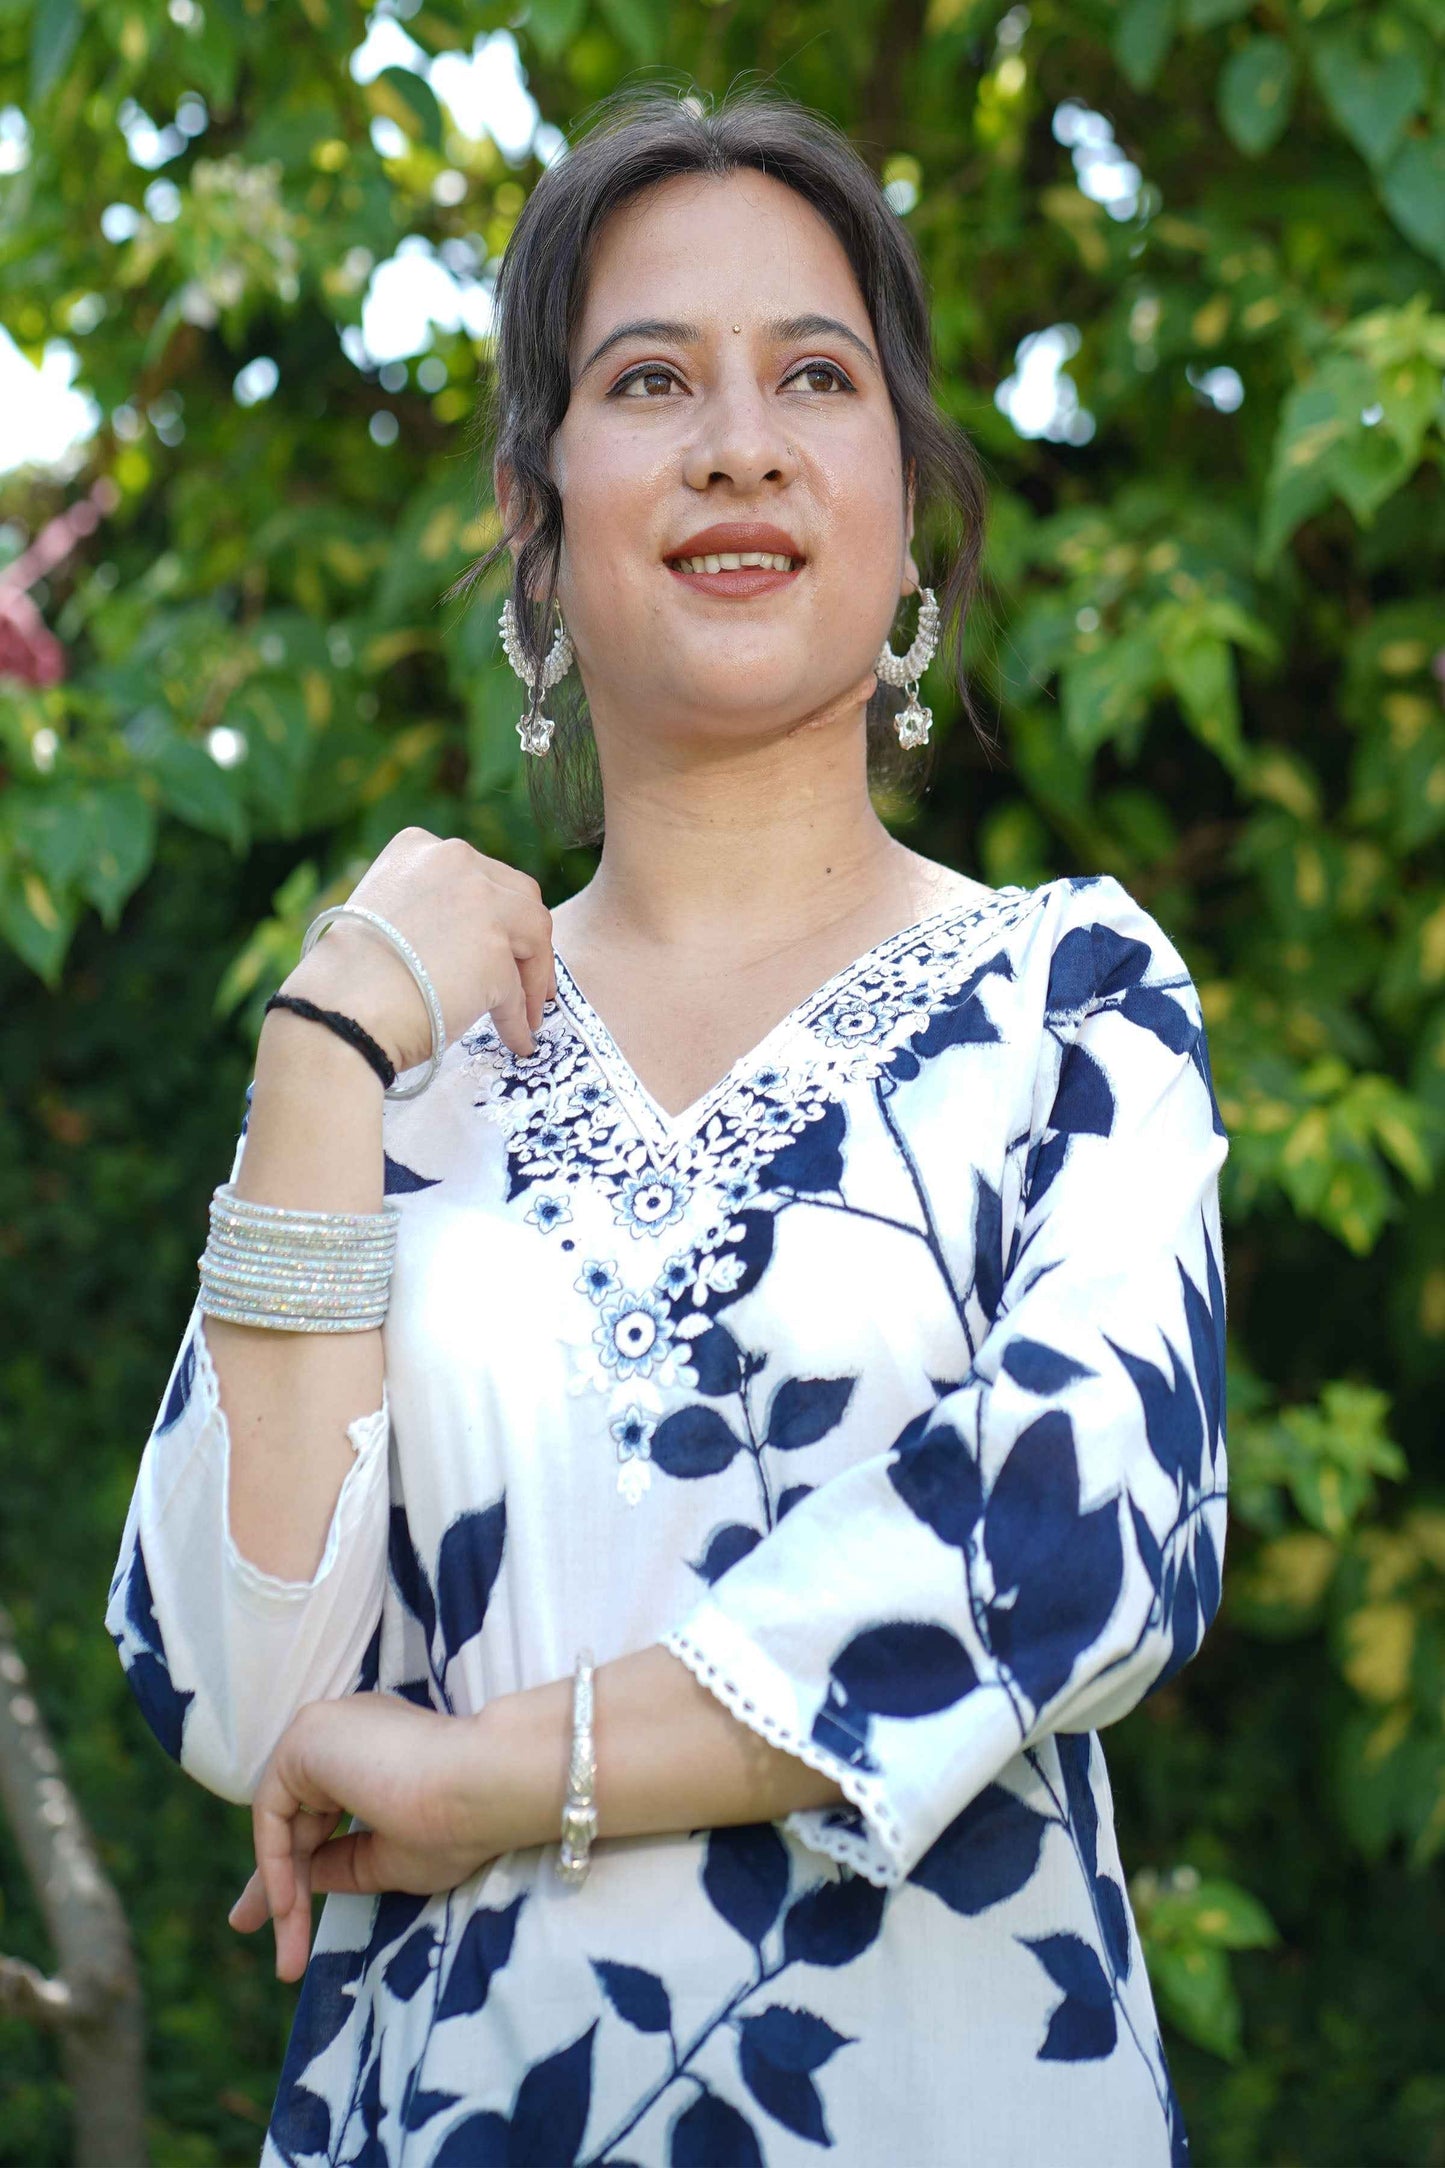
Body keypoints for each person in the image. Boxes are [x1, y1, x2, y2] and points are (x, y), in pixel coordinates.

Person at [105, 85, 1229, 2168]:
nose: (738, 442)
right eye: (648, 381)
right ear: (536, 515)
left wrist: (501, 1774)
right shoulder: (405, 1070)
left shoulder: (1065, 1001)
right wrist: (318, 1048)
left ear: (908, 503)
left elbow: (1077, 1537)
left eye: (815, 375)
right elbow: (239, 1701)